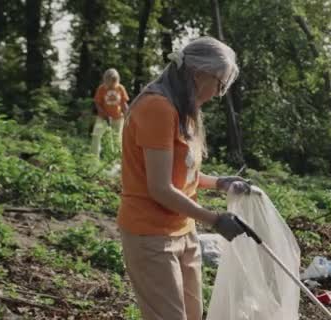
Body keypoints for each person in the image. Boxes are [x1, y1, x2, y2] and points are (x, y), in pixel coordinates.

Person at [117, 37, 251, 320]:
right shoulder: (157, 108)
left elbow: (182, 174)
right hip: (151, 235)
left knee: (193, 314)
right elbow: (160, 188)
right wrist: (214, 219)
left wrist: (219, 182)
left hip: (184, 232)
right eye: (220, 84)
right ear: (199, 73)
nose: (218, 93)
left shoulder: (183, 111)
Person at [91, 68, 130, 157]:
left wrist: (128, 116)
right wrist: (104, 115)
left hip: (118, 118)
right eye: (111, 81)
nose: (113, 83)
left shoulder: (120, 88)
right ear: (106, 80)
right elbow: (97, 103)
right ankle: (94, 158)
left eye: (114, 81)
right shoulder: (101, 89)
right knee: (96, 135)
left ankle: (115, 161)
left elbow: (124, 104)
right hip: (102, 118)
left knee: (117, 140)